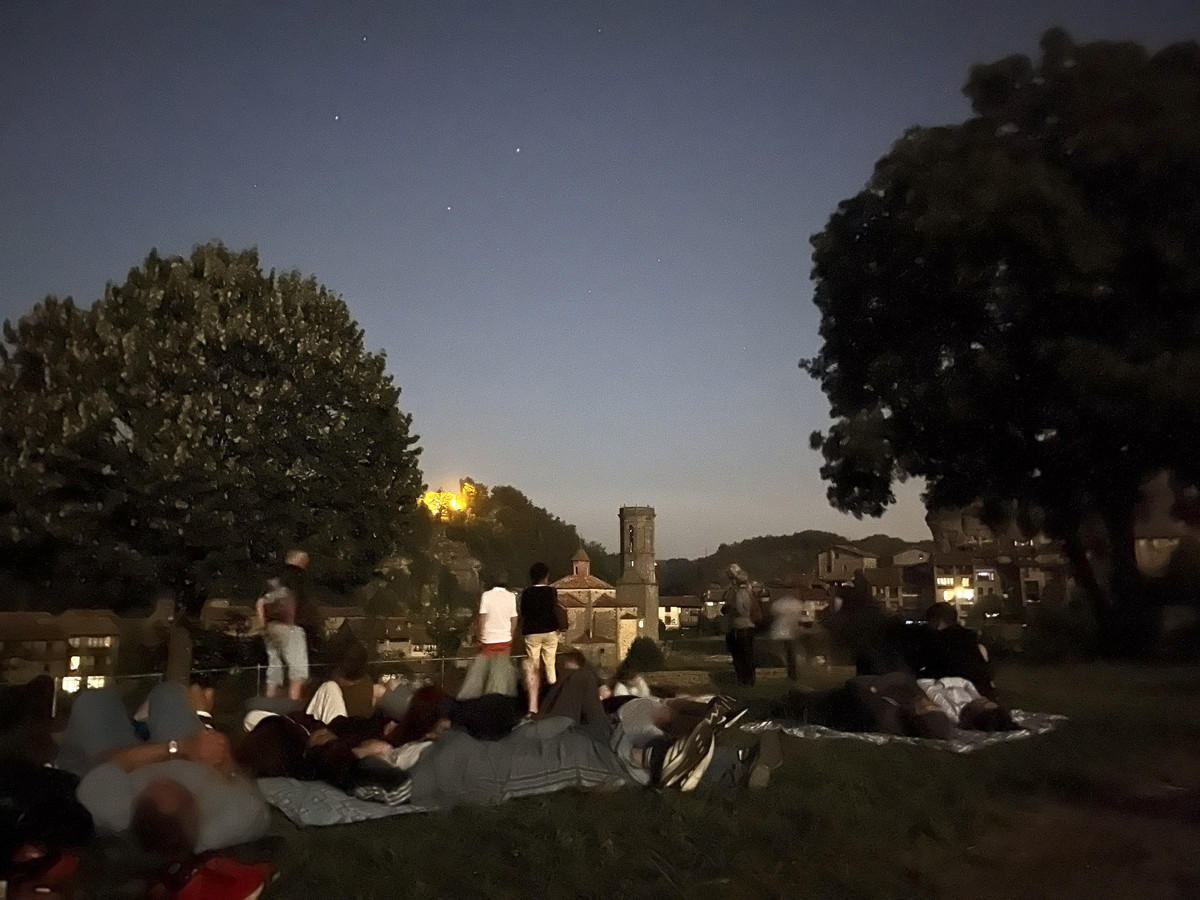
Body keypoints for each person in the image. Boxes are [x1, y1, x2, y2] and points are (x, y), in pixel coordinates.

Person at [56, 682, 271, 858]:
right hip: (195, 757)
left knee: (93, 701)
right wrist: (217, 751)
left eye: (154, 788)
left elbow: (111, 761)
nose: (163, 777)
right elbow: (237, 777)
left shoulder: (113, 810)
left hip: (139, 758)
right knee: (169, 692)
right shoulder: (237, 820)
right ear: (195, 812)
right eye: (174, 787)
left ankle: (136, 722)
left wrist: (176, 748)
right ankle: (162, 718)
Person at [457, 573, 519, 700]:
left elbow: (482, 618)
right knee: (500, 674)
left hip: (488, 640)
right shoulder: (511, 596)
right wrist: (511, 635)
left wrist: (480, 635)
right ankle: (498, 697)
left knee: (479, 673)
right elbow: (514, 619)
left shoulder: (486, 595)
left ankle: (471, 698)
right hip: (505, 640)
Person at [257, 566, 309, 702]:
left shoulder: (270, 592)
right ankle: (294, 702)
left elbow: (260, 603)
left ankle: (269, 700)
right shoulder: (287, 590)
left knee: (275, 665)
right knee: (298, 669)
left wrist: (263, 626)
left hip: (271, 628)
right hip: (289, 628)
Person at [518, 561, 561, 715]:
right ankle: (553, 696)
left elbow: (523, 612)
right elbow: (555, 610)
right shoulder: (551, 592)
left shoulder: (526, 593)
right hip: (549, 631)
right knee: (550, 664)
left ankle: (533, 702)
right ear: (546, 576)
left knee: (533, 666)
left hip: (532, 632)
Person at [722, 564, 758, 686]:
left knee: (742, 656)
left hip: (740, 626)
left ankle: (745, 680)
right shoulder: (741, 589)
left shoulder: (740, 591)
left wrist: (729, 608)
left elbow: (741, 610)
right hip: (740, 627)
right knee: (744, 655)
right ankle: (746, 680)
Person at [768, 591, 805, 680]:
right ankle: (792, 674)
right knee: (791, 654)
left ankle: (781, 672)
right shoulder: (798, 605)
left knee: (780, 653)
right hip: (790, 633)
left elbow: (772, 615)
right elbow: (798, 620)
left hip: (777, 632)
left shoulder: (777, 604)